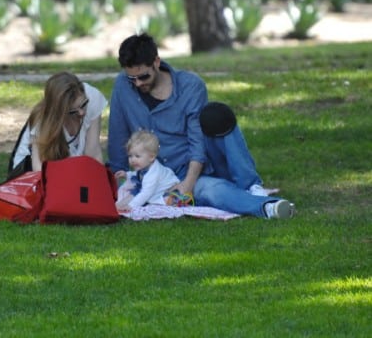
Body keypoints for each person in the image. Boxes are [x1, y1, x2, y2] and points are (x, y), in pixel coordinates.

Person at [107, 33, 295, 219]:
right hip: (155, 179)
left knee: (216, 118)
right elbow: (118, 134)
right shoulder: (123, 86)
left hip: (190, 170)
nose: (138, 83)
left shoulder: (190, 86)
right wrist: (120, 183)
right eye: (132, 78)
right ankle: (268, 207)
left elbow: (197, 142)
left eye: (143, 77)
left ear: (156, 62)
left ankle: (260, 197)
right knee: (215, 192)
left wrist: (188, 184)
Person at [10, 71, 107, 175]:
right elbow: (39, 171)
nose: (81, 113)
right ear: (59, 112)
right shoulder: (43, 122)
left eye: (83, 104)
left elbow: (93, 152)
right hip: (30, 172)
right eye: (73, 111)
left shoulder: (92, 98)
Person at [115, 130, 183, 212]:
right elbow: (137, 174)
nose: (132, 160)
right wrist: (127, 175)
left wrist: (131, 206)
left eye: (137, 156)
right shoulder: (145, 166)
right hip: (153, 188)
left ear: (151, 157)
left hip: (168, 189)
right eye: (130, 156)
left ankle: (172, 200)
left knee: (161, 200)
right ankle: (120, 204)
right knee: (132, 192)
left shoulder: (153, 174)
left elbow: (145, 193)